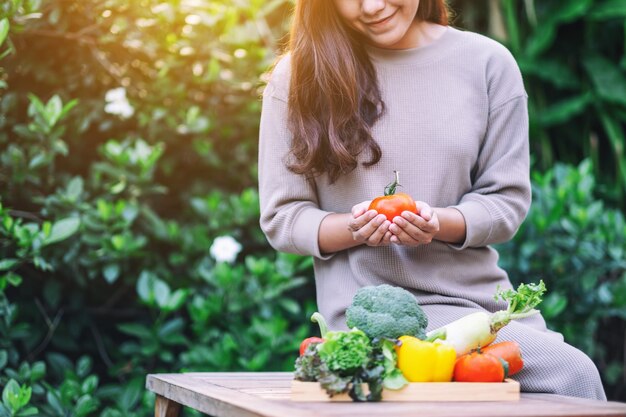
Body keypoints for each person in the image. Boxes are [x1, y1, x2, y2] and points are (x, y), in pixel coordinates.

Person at [258, 0, 606, 400]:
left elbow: (505, 201)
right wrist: (355, 229)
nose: (371, 7)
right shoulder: (299, 76)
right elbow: (283, 217)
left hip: (481, 306)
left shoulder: (487, 64)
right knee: (573, 375)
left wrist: (438, 222)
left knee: (573, 381)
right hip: (373, 315)